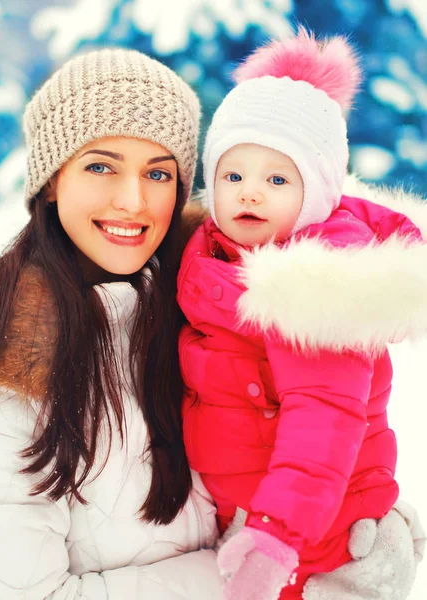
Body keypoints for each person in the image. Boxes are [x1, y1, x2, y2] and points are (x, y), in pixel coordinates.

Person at [0, 46, 423, 600]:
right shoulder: (6, 360)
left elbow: (322, 422)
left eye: (158, 172)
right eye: (100, 166)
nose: (133, 201)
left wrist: (359, 514)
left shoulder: (208, 295)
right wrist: (273, 577)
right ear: (51, 180)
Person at [177, 29, 427, 600]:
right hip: (250, 516)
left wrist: (274, 538)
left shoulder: (314, 284)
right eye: (233, 176)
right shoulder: (212, 258)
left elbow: (325, 421)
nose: (250, 194)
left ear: (315, 194)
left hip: (313, 540)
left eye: (277, 179)